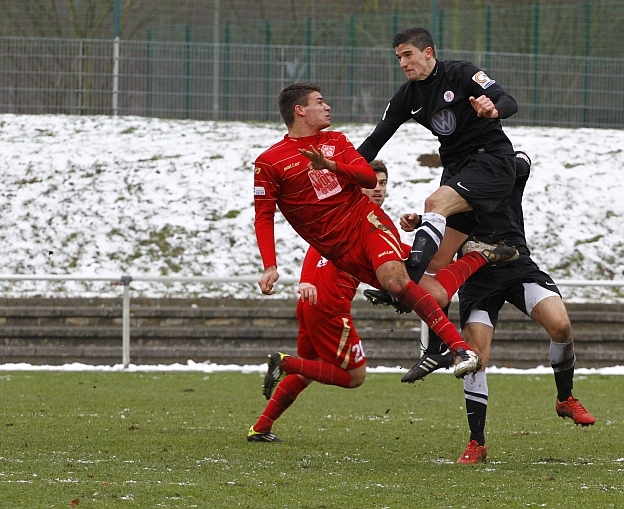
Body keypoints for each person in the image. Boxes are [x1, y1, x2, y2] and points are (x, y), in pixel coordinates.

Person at [248, 161, 492, 442]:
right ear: (355, 183)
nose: (378, 189)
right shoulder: (363, 218)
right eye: (371, 182)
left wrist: (423, 232)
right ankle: (284, 363)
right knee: (354, 376)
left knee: (311, 366)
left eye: (383, 183)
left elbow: (402, 256)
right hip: (329, 306)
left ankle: (262, 426)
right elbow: (324, 245)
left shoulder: (351, 216)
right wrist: (465, 255)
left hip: (311, 304)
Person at [252, 82, 481, 382]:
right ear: (300, 110)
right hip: (342, 252)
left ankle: (461, 350)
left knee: (395, 281)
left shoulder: (336, 140)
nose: (327, 106)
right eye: (319, 102)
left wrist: (331, 165)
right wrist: (270, 265)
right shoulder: (270, 162)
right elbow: (263, 216)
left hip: (366, 222)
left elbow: (365, 177)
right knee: (430, 291)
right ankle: (482, 255)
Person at [401, 152, 596, 464]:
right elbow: (443, 227)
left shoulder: (504, 166)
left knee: (561, 326)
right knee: (474, 359)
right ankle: (476, 443)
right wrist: (423, 223)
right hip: (477, 278)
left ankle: (565, 398)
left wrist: (488, 163)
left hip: (517, 265)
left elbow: (523, 163)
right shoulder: (450, 184)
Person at [357, 27, 520, 289]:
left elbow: (508, 100)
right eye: (399, 57)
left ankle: (404, 284)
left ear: (428, 52)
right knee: (435, 263)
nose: (403, 63)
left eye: (408, 55)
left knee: (434, 203)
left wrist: (493, 110)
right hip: (456, 169)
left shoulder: (461, 73)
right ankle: (483, 254)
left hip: (491, 161)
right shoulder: (406, 97)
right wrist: (341, 171)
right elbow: (376, 140)